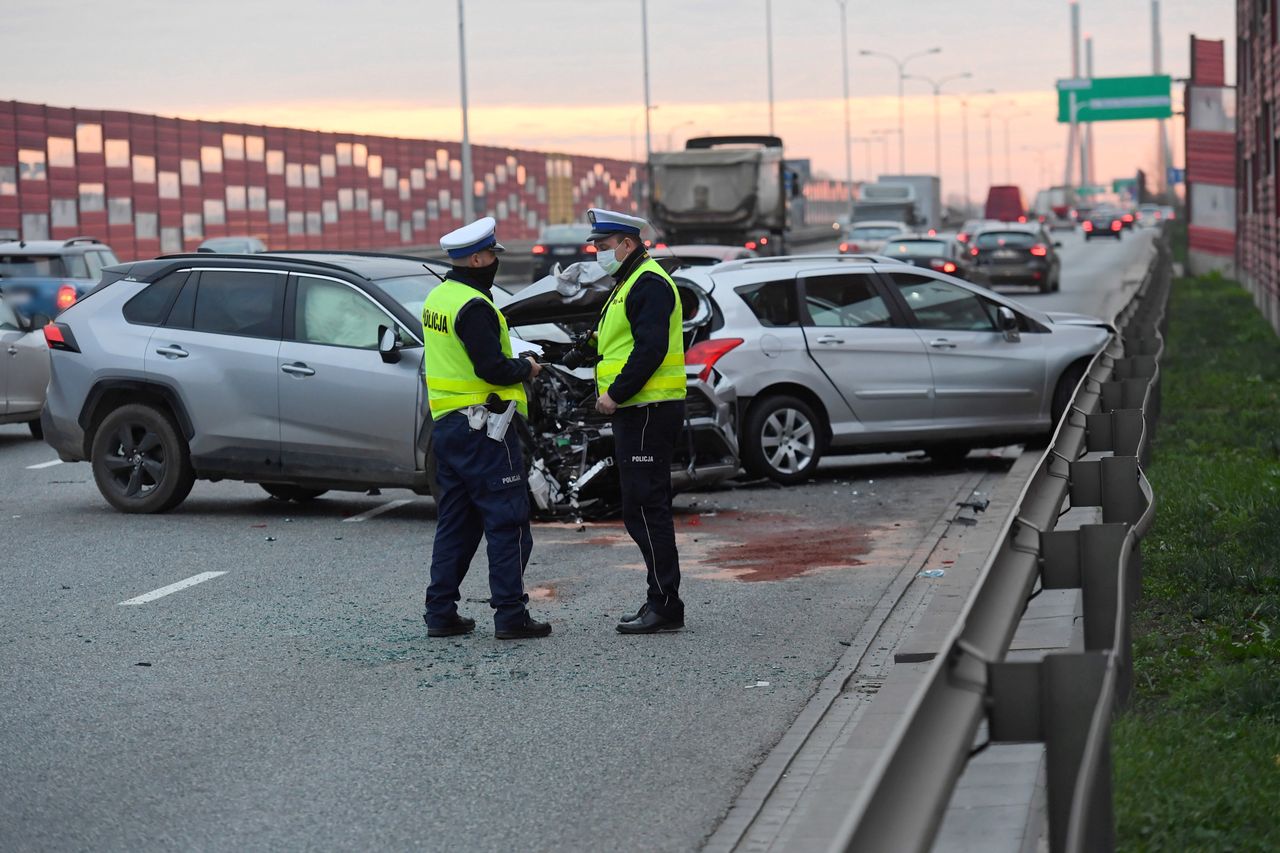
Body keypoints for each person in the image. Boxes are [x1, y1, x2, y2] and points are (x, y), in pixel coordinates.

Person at [421, 216, 551, 640]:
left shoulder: (439, 297)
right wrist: (526, 367)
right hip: (485, 429)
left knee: (455, 524)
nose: (495, 261)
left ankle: (440, 613)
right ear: (476, 258)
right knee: (508, 522)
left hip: (449, 429)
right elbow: (492, 367)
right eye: (492, 254)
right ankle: (511, 616)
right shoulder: (474, 306)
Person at [579, 208, 688, 634]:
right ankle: (659, 599)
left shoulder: (649, 282)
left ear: (627, 243)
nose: (598, 255)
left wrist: (615, 394)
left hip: (647, 409)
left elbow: (650, 350)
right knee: (639, 508)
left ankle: (665, 604)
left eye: (603, 247)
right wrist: (573, 356)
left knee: (646, 508)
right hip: (638, 410)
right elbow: (612, 342)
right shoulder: (628, 282)